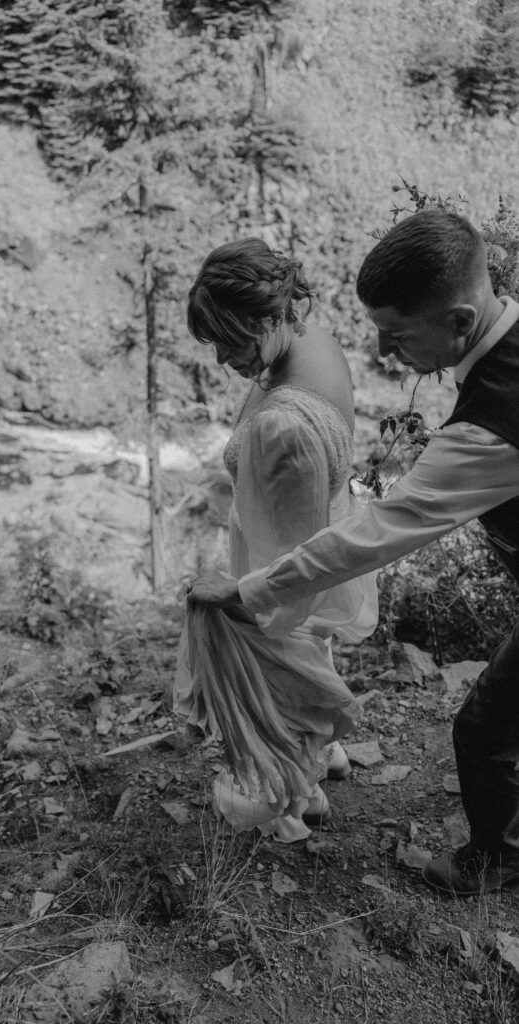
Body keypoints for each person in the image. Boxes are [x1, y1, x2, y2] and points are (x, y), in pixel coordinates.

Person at [186, 209, 519, 896]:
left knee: (483, 729)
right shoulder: (494, 354)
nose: (379, 349)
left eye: (396, 333)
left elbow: (381, 529)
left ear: (458, 320)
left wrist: (248, 592)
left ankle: (497, 861)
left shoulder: (493, 421)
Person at [175, 237, 379, 843]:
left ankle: (288, 795)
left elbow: (289, 585)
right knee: (311, 640)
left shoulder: (283, 424)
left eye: (228, 341)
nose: (220, 359)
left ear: (267, 317)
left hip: (294, 542)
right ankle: (321, 765)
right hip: (328, 515)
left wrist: (240, 592)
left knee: (280, 649)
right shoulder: (313, 339)